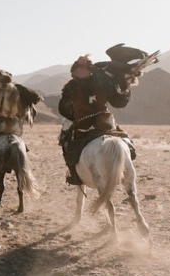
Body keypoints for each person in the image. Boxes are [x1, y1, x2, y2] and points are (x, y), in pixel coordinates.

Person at [58, 44, 147, 185]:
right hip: (105, 122)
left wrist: (75, 115)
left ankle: (74, 175)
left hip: (83, 126)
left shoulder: (71, 86)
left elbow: (63, 109)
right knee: (127, 144)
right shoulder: (102, 81)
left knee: (68, 146)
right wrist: (125, 86)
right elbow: (118, 102)